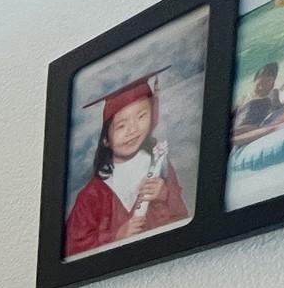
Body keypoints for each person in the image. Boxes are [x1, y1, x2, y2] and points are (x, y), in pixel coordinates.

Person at [64, 75, 190, 257]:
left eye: (141, 116)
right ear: (106, 139)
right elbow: (71, 248)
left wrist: (164, 196)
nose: (133, 130)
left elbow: (181, 220)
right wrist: (115, 236)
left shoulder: (159, 166)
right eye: (121, 126)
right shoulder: (92, 195)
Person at [232, 61, 284, 146]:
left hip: (251, 127)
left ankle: (263, 132)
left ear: (272, 84)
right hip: (238, 127)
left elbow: (278, 107)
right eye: (258, 85)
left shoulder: (272, 94)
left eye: (267, 84)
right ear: (254, 82)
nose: (261, 88)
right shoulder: (244, 97)